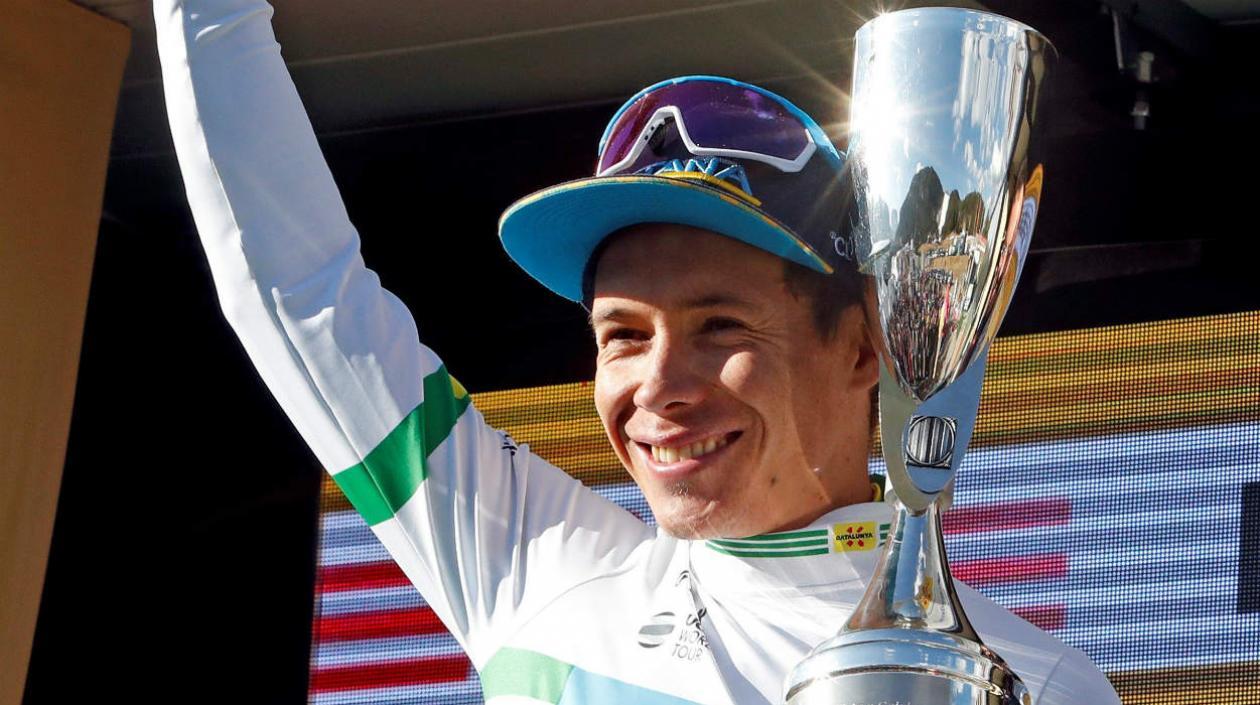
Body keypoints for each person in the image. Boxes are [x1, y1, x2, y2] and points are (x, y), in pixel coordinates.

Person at [153, 1, 1120, 703]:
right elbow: (297, 290)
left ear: (867, 346)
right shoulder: (534, 567)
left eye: (719, 328)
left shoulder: (1031, 683)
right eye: (622, 335)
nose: (657, 387)